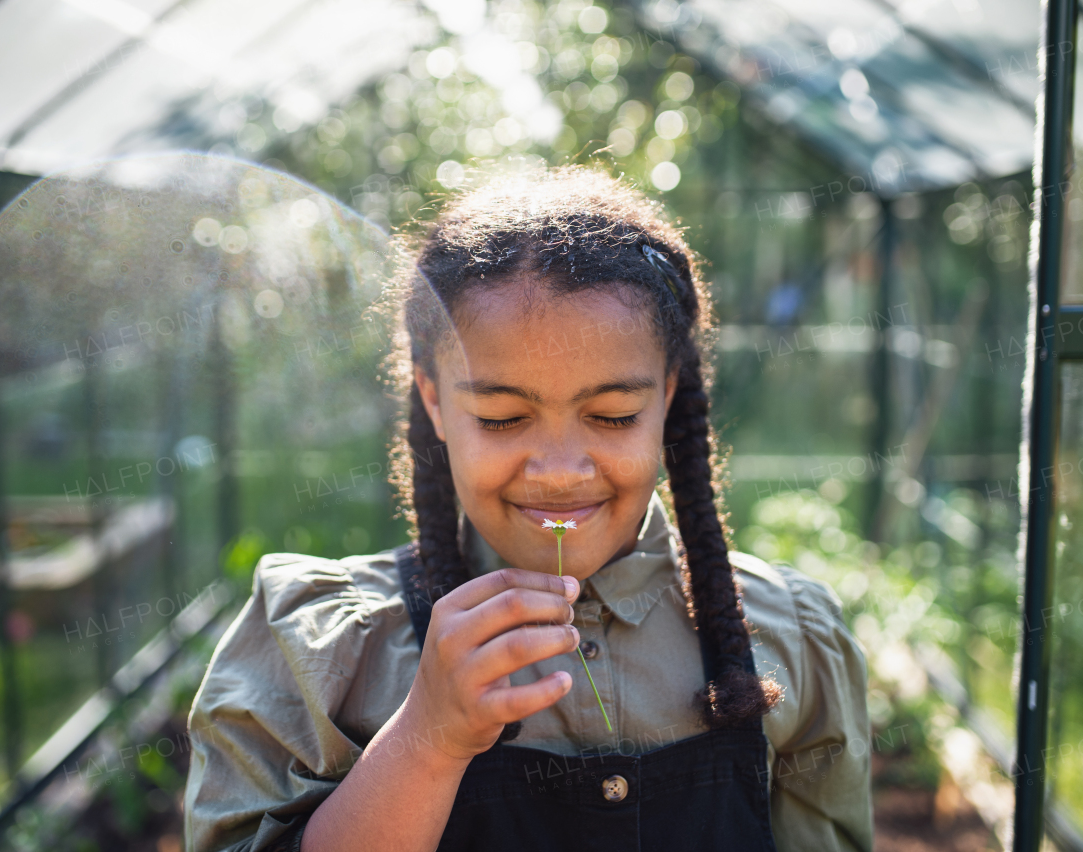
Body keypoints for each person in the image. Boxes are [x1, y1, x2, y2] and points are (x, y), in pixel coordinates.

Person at [183, 164, 873, 852]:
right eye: (504, 418)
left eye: (612, 416)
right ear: (434, 400)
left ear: (666, 397)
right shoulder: (325, 655)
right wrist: (427, 740)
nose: (559, 472)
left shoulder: (790, 642)